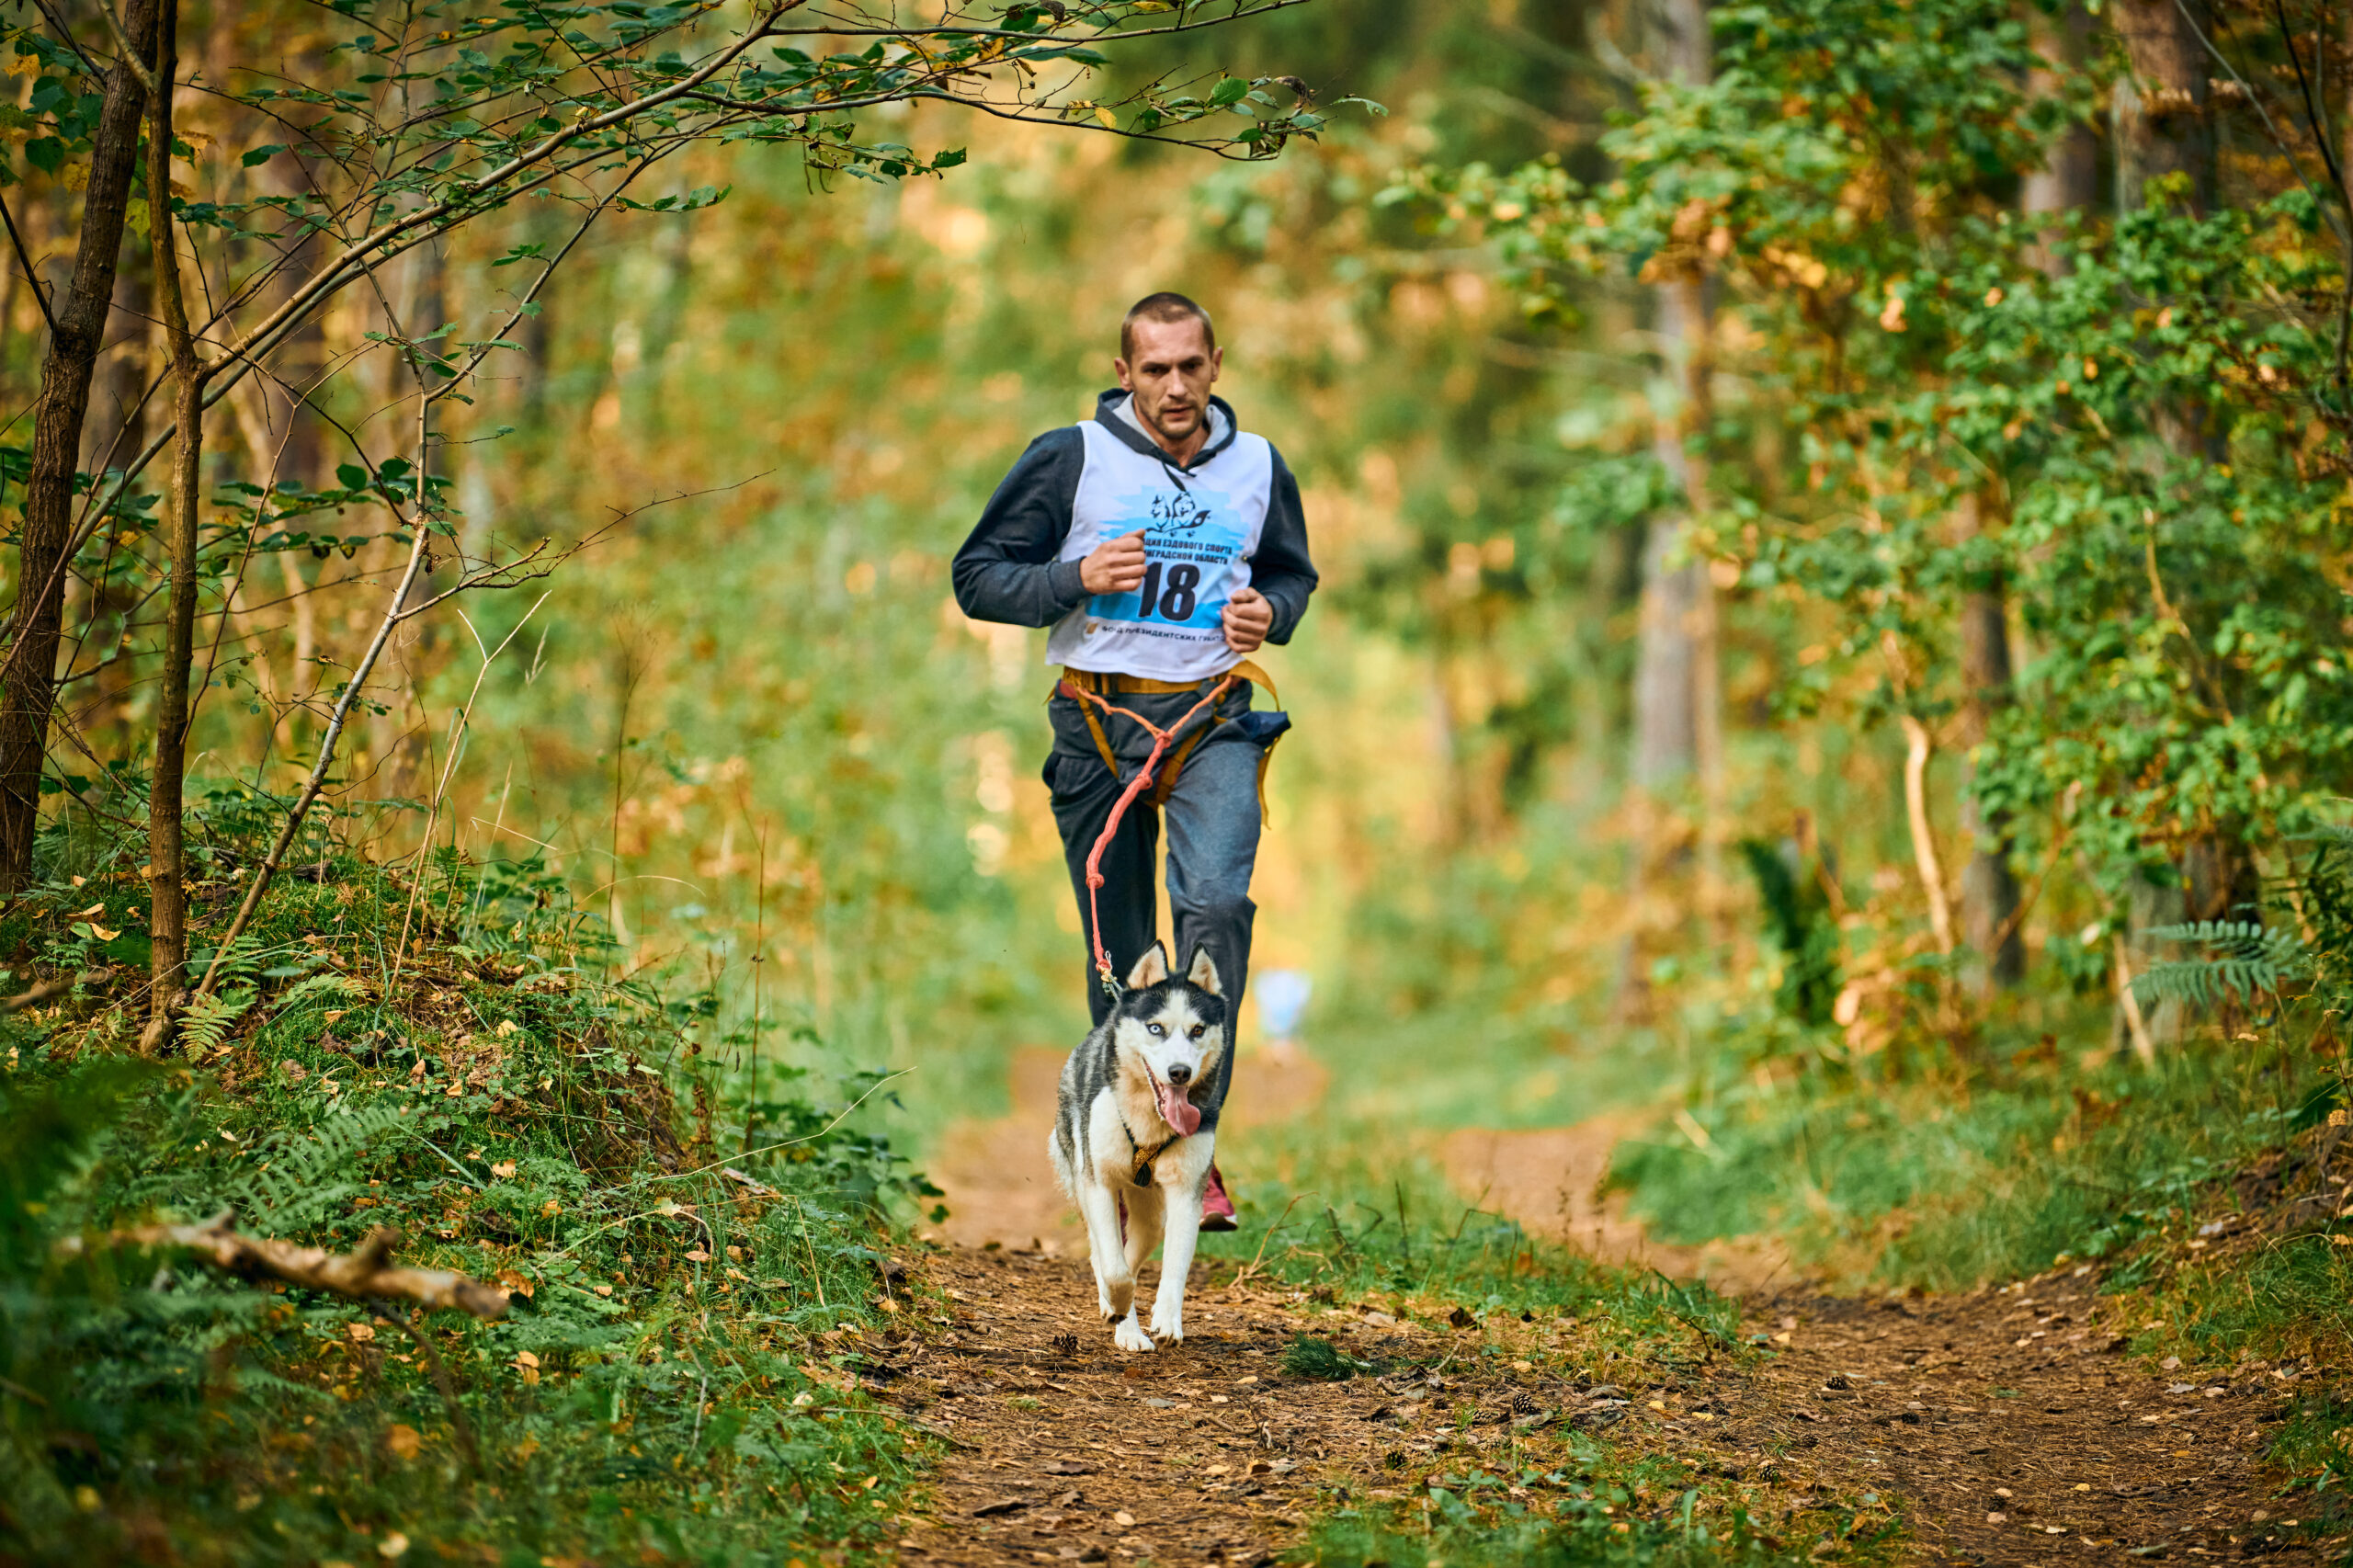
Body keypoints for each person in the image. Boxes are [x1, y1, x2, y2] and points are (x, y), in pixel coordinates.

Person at [952, 291, 1317, 1230]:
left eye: (1190, 366)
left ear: (1215, 364)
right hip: (1096, 726)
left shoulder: (1260, 465)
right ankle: (1123, 1139)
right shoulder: (1070, 456)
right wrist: (1073, 577)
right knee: (1119, 957)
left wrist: (1270, 613)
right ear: (1125, 373)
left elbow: (1289, 574)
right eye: (1154, 369)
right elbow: (977, 576)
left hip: (1210, 722)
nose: (1174, 386)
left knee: (1215, 907)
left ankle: (1195, 1148)